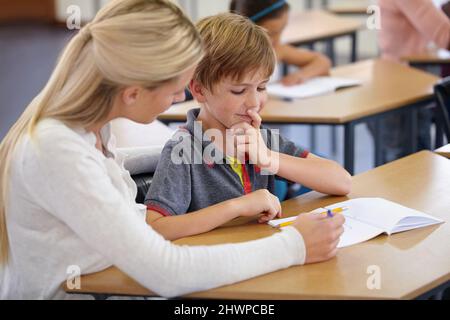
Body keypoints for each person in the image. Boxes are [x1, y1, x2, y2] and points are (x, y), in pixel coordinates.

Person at [0, 0, 345, 299]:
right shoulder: (56, 150)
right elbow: (167, 272)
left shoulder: (92, 130)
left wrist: (200, 150)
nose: (180, 99)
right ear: (133, 92)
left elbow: (103, 175)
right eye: (176, 88)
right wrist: (295, 246)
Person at [144, 13, 351, 241]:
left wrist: (269, 159)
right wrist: (237, 207)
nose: (254, 103)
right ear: (200, 90)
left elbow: (341, 181)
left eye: (261, 88)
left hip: (265, 258)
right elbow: (156, 228)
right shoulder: (183, 148)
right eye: (239, 91)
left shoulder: (260, 139)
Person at [373, 0, 450, 162]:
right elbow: (446, 36)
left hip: (404, 79)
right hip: (402, 85)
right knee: (409, 165)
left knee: (415, 164)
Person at [230, 0, 331, 85]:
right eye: (271, 33)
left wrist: (300, 75)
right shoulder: (230, 58)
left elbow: (323, 62)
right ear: (246, 29)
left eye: (282, 29)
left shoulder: (277, 50)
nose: (278, 40)